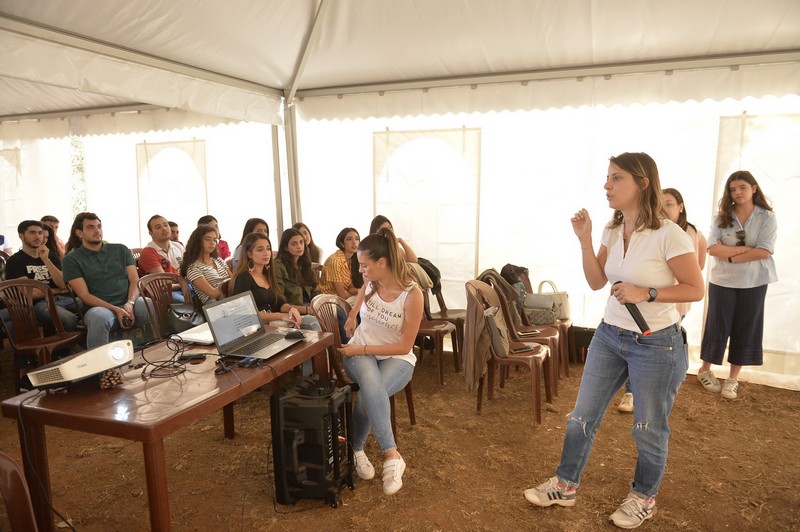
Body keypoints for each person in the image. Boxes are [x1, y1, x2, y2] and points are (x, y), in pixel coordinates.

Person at [523, 152, 704, 529]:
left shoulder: (669, 234)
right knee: (580, 418)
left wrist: (647, 292)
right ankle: (565, 485)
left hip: (656, 344)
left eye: (616, 178)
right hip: (609, 335)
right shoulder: (610, 229)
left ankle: (643, 498)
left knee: (648, 429)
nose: (607, 184)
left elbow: (695, 288)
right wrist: (586, 240)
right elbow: (595, 281)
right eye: (607, 177)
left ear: (642, 183)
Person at [340, 228, 423, 496]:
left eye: (364, 265)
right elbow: (361, 295)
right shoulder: (372, 282)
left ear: (382, 263)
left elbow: (404, 345)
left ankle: (355, 449)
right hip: (361, 354)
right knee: (370, 384)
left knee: (368, 393)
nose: (361, 270)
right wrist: (352, 315)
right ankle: (391, 454)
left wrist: (362, 347)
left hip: (396, 358)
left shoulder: (412, 295)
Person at [617, 186, 708, 413]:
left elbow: (697, 271)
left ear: (680, 207)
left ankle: (644, 391)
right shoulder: (646, 230)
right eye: (661, 203)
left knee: (658, 343)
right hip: (640, 306)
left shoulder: (690, 233)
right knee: (635, 344)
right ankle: (631, 392)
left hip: (674, 303)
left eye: (669, 204)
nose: (664, 208)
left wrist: (653, 289)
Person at [697, 170, 777, 400]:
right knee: (717, 324)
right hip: (723, 281)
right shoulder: (721, 216)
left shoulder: (767, 217)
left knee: (746, 327)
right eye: (733, 189)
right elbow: (712, 248)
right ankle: (705, 370)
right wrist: (743, 251)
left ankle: (733, 379)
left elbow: (764, 250)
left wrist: (730, 254)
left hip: (755, 281)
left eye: (742, 187)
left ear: (754, 188)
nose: (737, 192)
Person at [62, 213, 150, 348]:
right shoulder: (71, 259)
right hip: (100, 308)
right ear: (79, 233)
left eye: (99, 226)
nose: (97, 231)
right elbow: (84, 295)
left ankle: (151, 350)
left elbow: (134, 280)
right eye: (90, 227)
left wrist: (130, 303)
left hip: (128, 302)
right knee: (99, 318)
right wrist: (115, 309)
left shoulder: (120, 249)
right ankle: (100, 366)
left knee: (147, 303)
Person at [3, 220, 78, 332]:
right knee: (69, 319)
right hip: (38, 304)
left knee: (94, 308)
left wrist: (46, 260)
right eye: (32, 232)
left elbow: (63, 284)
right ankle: (64, 349)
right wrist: (57, 290)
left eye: (40, 233)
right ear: (21, 236)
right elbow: (31, 293)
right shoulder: (15, 261)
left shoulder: (51, 256)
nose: (38, 237)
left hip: (64, 299)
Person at [230, 233, 301, 327]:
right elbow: (247, 314)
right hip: (258, 326)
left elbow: (280, 303)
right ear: (249, 254)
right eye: (260, 250)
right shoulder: (243, 278)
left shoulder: (268, 274)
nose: (266, 253)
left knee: (312, 320)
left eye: (268, 248)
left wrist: (291, 309)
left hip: (275, 322)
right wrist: (280, 316)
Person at [273, 228, 322, 331]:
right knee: (315, 322)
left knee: (337, 313)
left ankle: (342, 346)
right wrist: (307, 310)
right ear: (286, 247)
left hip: (309, 307)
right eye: (294, 244)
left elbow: (314, 291)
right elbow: (279, 300)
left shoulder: (304, 263)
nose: (299, 246)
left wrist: (319, 305)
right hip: (293, 310)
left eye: (301, 242)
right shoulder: (278, 266)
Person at [138, 214, 186, 303]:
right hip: (162, 293)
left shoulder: (178, 246)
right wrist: (184, 283)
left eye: (165, 225)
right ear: (151, 233)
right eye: (158, 227)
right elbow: (163, 284)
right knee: (186, 301)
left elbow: (189, 270)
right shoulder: (148, 252)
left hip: (182, 287)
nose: (164, 229)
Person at [181, 225, 232, 305]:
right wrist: (230, 285)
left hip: (231, 298)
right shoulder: (193, 268)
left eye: (215, 240)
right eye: (207, 239)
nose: (212, 243)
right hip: (214, 304)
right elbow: (213, 293)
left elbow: (233, 279)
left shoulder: (218, 260)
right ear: (197, 241)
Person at [318, 227, 361, 303]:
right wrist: (359, 294)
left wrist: (357, 291)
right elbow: (342, 295)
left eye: (357, 239)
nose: (354, 242)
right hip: (328, 301)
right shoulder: (335, 261)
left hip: (342, 298)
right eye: (349, 239)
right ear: (342, 244)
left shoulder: (351, 259)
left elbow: (350, 288)